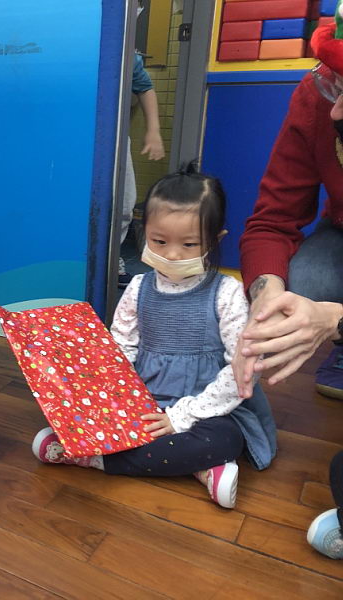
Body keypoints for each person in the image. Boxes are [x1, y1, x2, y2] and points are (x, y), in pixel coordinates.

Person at [33, 163, 277, 508]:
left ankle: (90, 457)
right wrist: (99, 397)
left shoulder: (227, 293)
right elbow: (120, 349)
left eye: (189, 244)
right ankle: (200, 468)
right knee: (71, 412)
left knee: (224, 439)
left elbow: (240, 372)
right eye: (159, 241)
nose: (172, 254)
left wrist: (182, 417)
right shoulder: (138, 287)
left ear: (216, 240)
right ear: (143, 231)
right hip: (145, 404)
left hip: (208, 409)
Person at [235, 12, 343, 400]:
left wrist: (335, 319)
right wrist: (265, 299)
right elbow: (273, 220)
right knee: (308, 280)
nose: (335, 112)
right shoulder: (316, 95)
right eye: (337, 83)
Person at [119, 51, 165, 286]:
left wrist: (153, 131)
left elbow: (145, 88)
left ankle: (110, 258)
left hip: (113, 137)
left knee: (124, 203)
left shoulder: (124, 52)